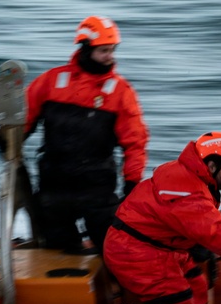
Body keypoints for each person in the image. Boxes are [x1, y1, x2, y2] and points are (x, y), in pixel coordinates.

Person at [103, 131, 221, 304]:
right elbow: (219, 238)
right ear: (212, 166)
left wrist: (213, 216)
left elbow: (178, 214)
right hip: (136, 252)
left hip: (161, 246)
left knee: (198, 286)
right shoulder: (188, 193)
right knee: (180, 302)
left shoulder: (188, 175)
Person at [23, 15, 149, 253]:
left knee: (114, 247)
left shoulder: (121, 92)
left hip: (96, 186)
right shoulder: (51, 81)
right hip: (54, 184)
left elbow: (135, 143)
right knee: (56, 249)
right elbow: (25, 117)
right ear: (85, 47)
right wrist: (12, 136)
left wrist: (132, 182)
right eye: (104, 50)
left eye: (112, 50)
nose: (110, 56)